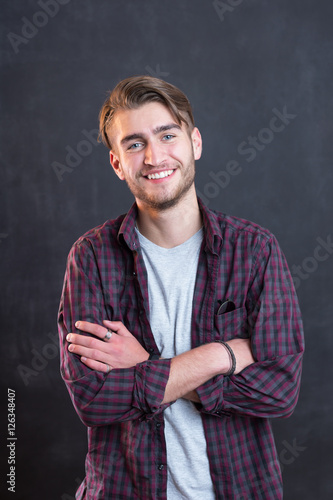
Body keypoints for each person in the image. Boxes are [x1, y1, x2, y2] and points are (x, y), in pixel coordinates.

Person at [58, 75, 304, 500]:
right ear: (117, 163)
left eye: (167, 135)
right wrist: (221, 355)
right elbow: (93, 399)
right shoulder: (92, 258)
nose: (154, 156)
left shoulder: (255, 251)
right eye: (134, 144)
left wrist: (143, 365)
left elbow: (278, 391)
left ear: (195, 143)